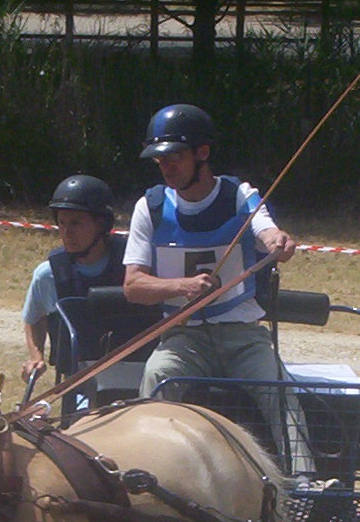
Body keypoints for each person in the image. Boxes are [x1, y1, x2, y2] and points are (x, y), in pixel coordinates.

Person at [122, 103, 312, 473]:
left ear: (202, 153)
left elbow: (268, 231)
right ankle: (145, 473)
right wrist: (182, 285)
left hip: (244, 337)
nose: (166, 167)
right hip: (182, 338)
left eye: (175, 157)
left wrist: (278, 243)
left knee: (279, 389)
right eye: (160, 160)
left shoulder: (239, 196)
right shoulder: (150, 207)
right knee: (156, 376)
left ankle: (305, 482)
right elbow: (133, 285)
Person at [20, 174, 125, 385]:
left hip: (133, 375)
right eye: (62, 223)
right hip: (77, 382)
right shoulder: (48, 275)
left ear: (102, 224)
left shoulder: (133, 267)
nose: (67, 232)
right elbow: (33, 318)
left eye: (76, 223)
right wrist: (36, 355)